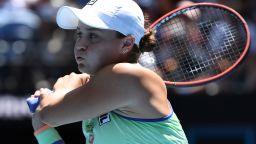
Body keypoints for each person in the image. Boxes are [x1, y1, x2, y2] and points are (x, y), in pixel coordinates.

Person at [30, 0, 188, 143]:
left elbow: (50, 114)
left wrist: (63, 90)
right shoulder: (101, 90)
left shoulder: (129, 76)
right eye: (79, 34)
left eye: (93, 36)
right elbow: (47, 115)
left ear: (127, 43)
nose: (80, 45)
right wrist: (43, 130)